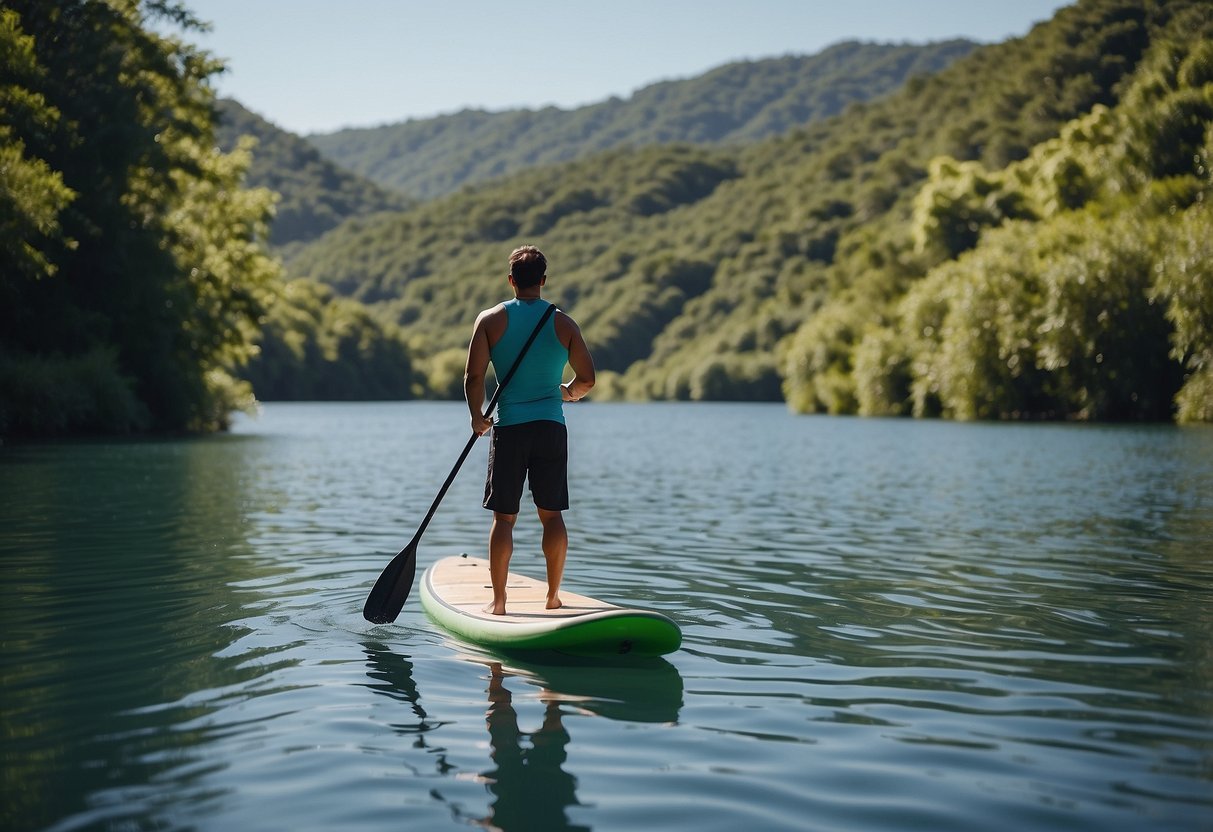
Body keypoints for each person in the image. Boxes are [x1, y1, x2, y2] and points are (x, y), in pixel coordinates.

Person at [464, 245, 595, 616]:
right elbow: (588, 379)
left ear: (510, 281)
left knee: (503, 518)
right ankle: (553, 596)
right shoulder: (564, 323)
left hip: (510, 429)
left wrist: (477, 416)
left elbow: (473, 376)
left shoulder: (489, 320)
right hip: (551, 428)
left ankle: (499, 602)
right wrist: (567, 393)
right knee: (551, 515)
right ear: (543, 280)